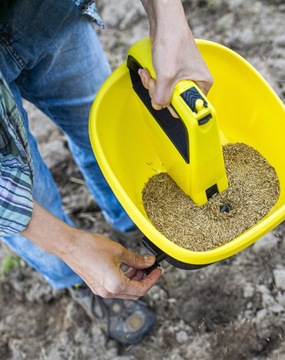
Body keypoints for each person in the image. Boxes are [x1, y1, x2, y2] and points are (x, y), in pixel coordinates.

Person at [0, 0, 213, 346]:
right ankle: (75, 278)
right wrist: (68, 246)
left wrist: (170, 22)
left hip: (46, 14)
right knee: (30, 193)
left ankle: (129, 218)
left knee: (105, 131)